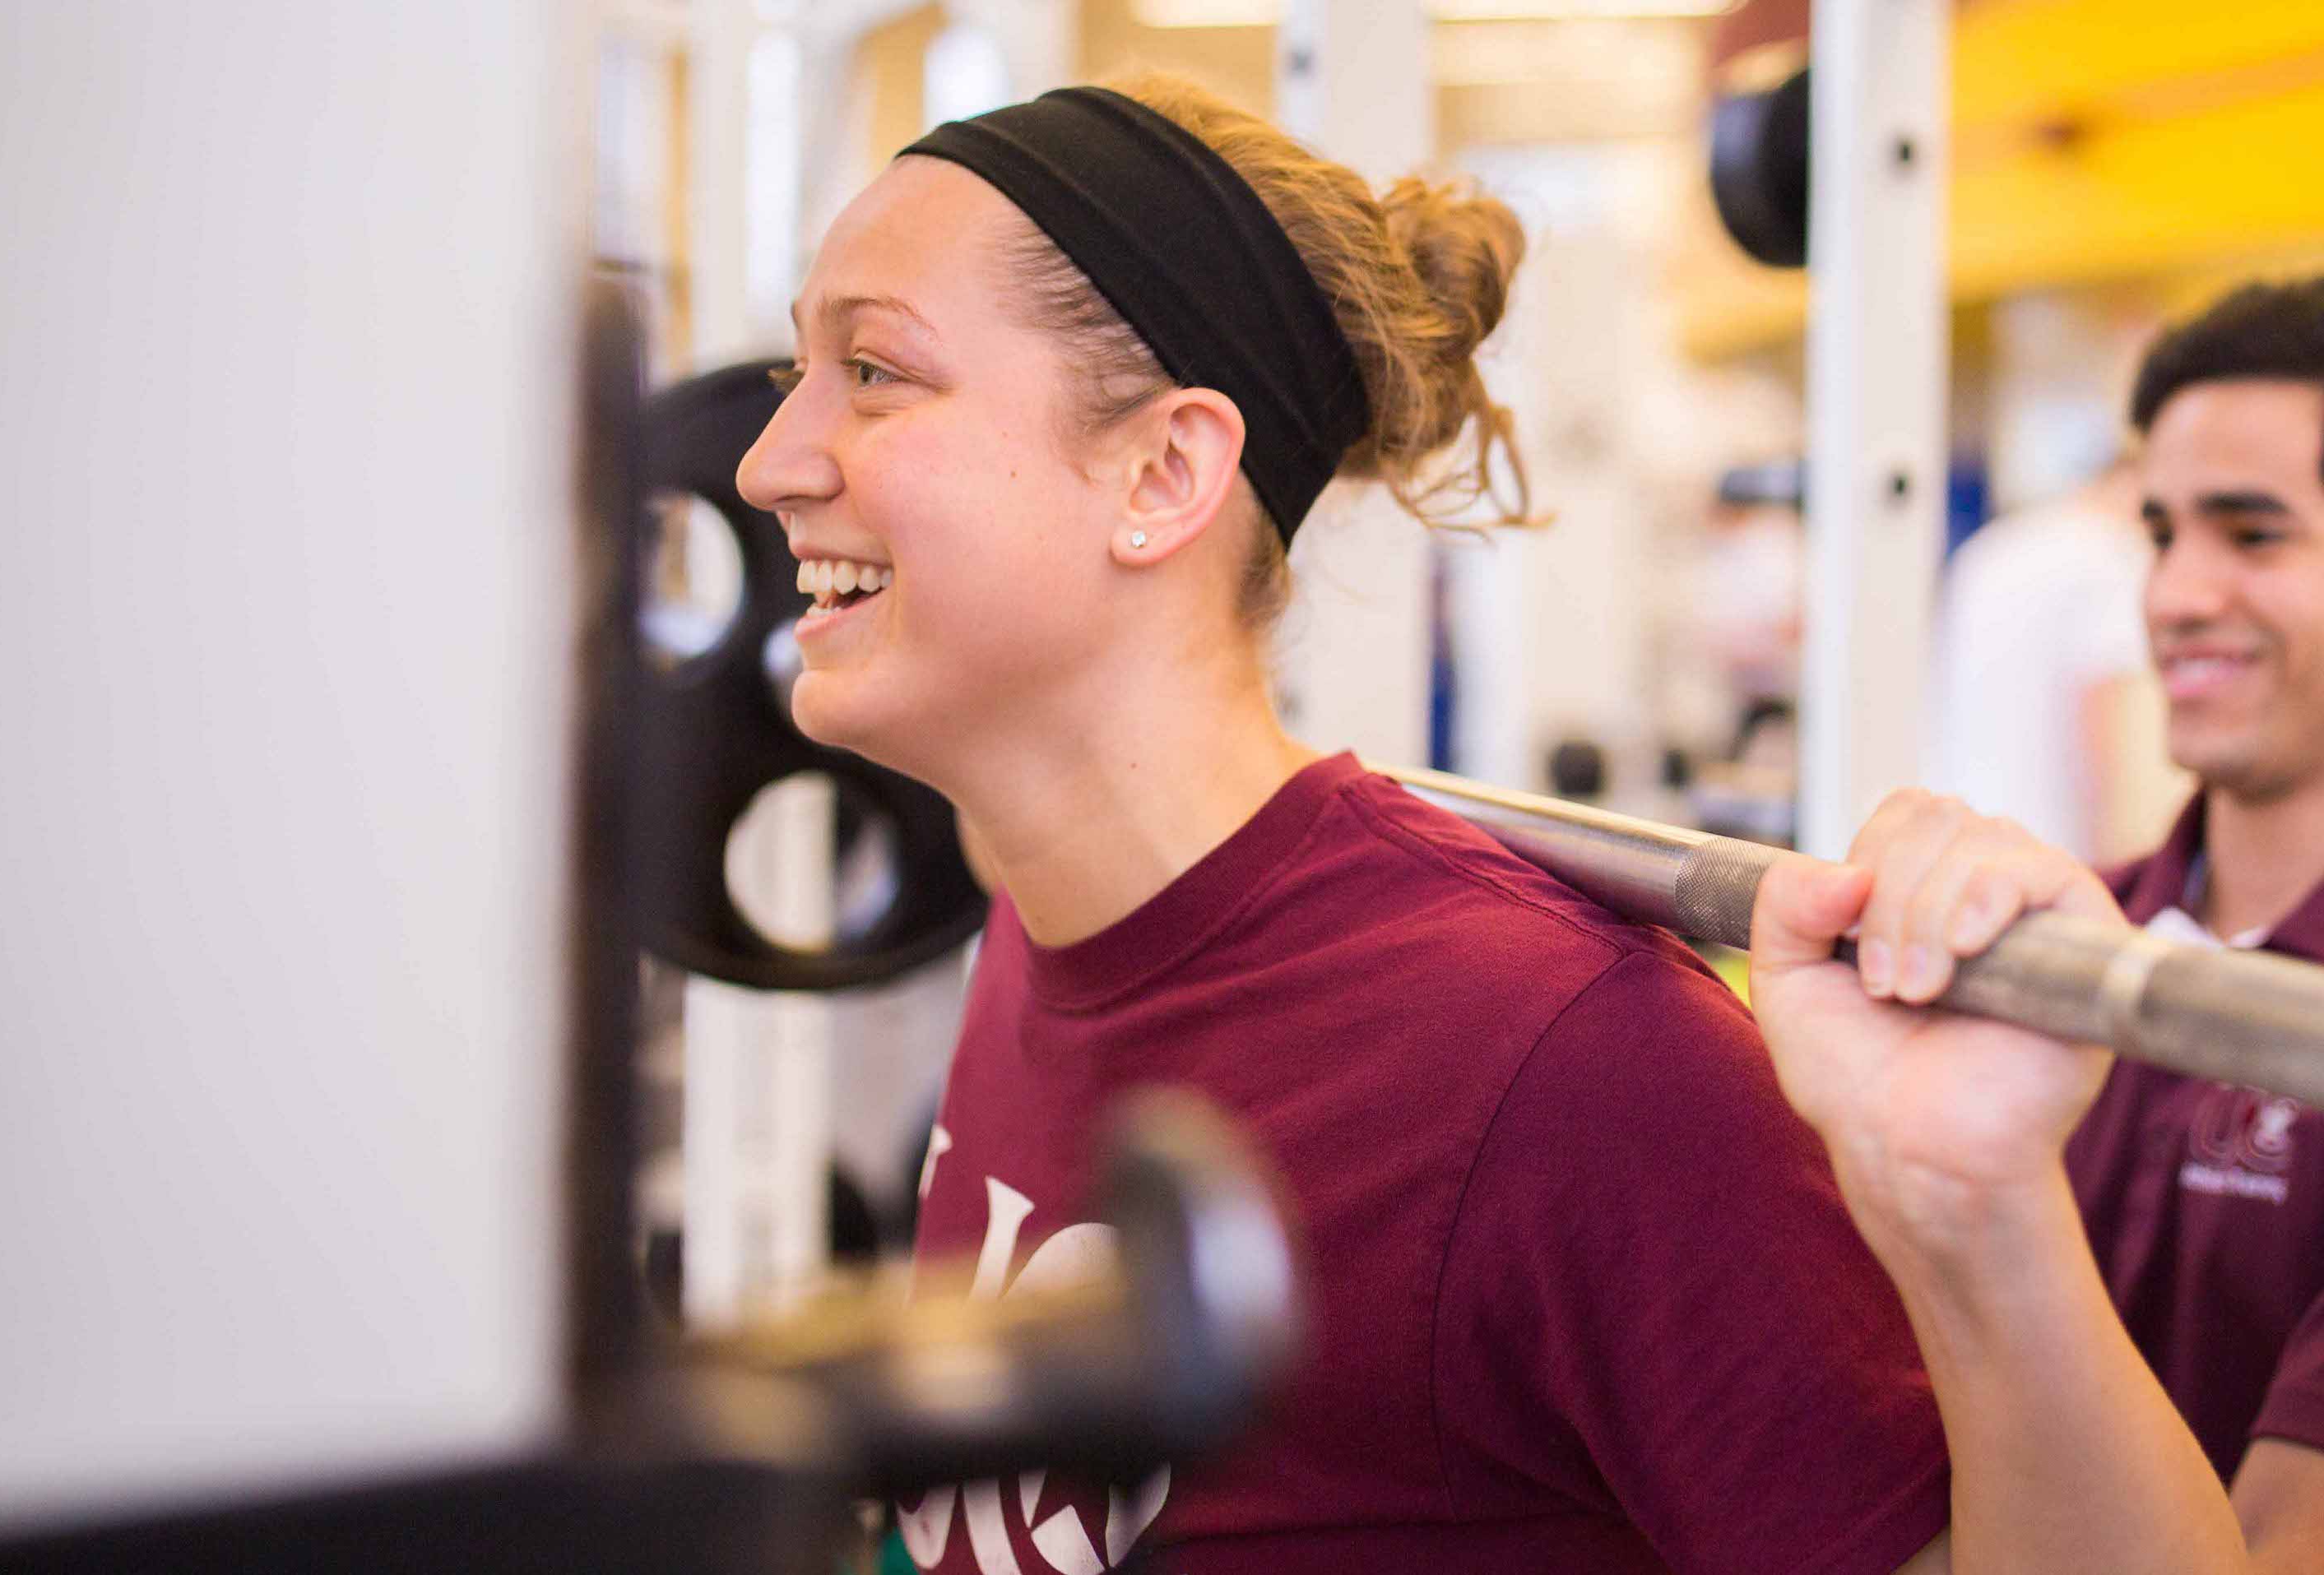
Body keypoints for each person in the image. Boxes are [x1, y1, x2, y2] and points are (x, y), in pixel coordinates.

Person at [737, 76, 1961, 1575]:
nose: (767, 462)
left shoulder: (1575, 1061)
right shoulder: (1045, 921)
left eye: (873, 371)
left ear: (1164, 472)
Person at [1747, 277, 2324, 1573]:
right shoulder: (2065, 942)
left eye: (2252, 536)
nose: (2172, 595)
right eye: (2161, 532)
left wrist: (1977, 1205)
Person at [1925, 454, 2187, 865]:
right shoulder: (2110, 554)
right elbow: (2100, 724)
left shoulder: (1996, 544)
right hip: (2045, 843)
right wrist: (2118, 864)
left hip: (1956, 823)